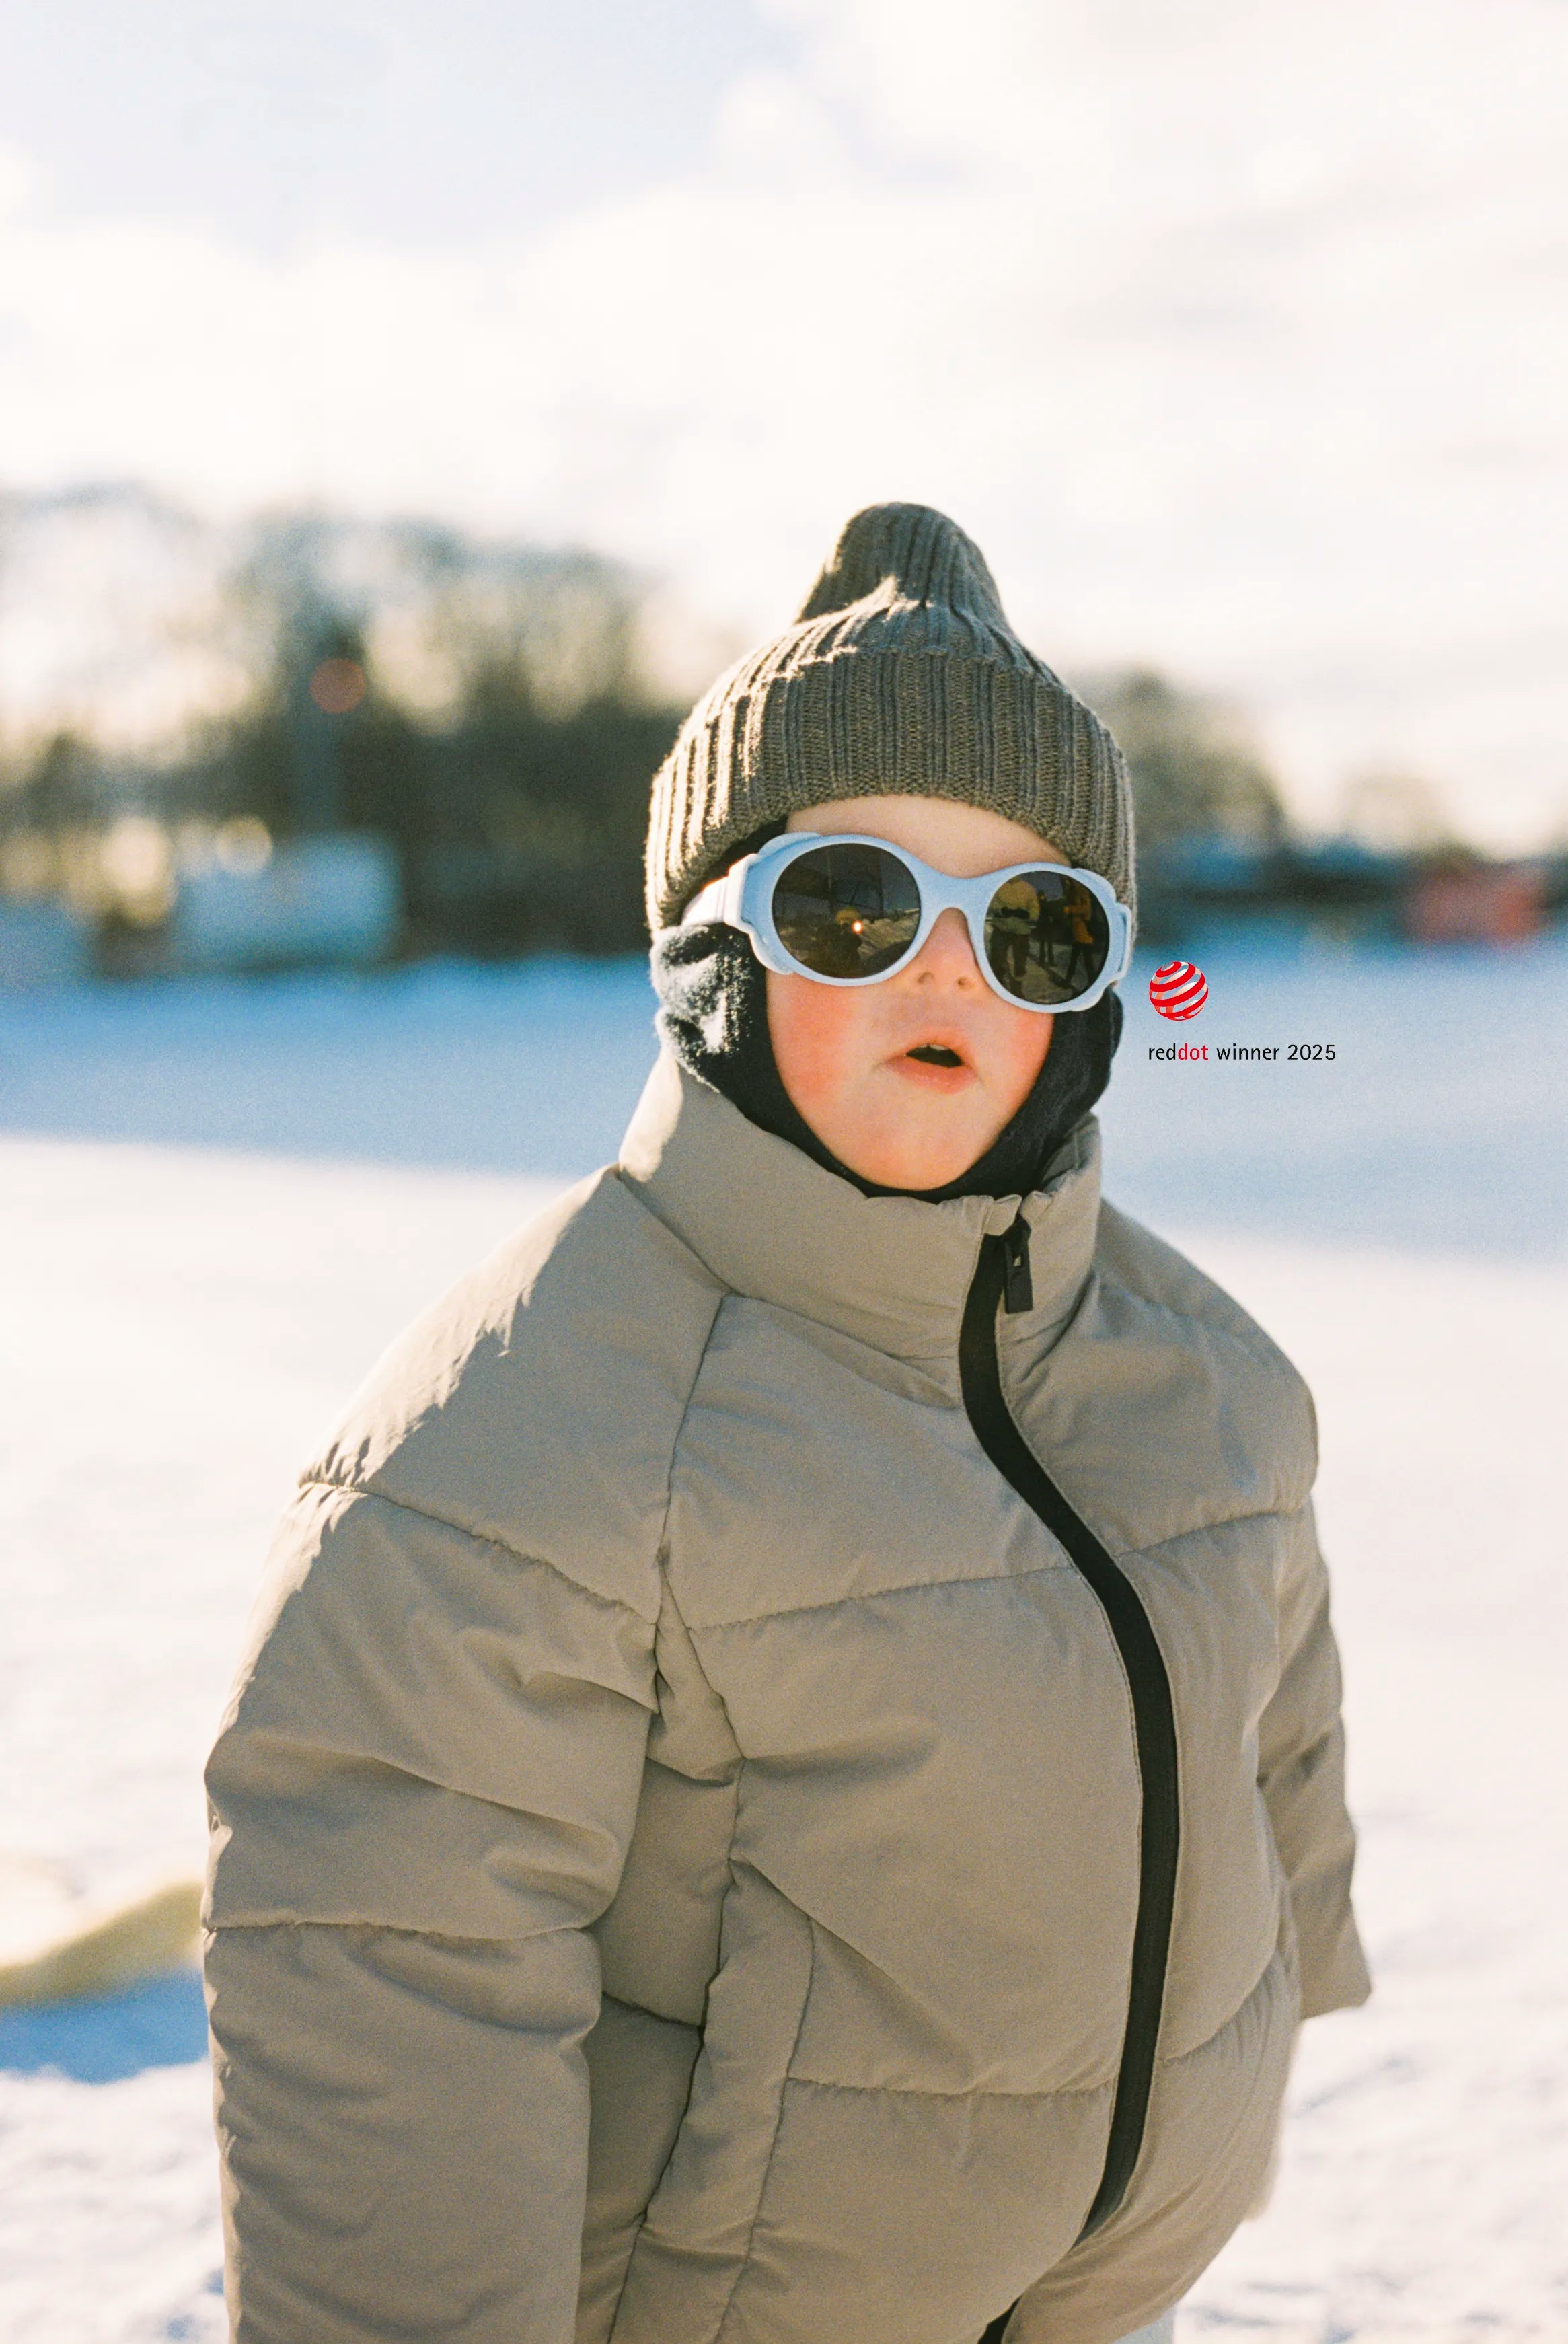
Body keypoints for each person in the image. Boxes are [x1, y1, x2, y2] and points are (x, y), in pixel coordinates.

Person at [204, 504, 1370, 2344]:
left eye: (1037, 922)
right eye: (853, 902)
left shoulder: (1203, 1369)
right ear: (710, 959)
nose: (949, 969)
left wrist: (1285, 1976)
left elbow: (1271, 1720)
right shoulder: (530, 1441)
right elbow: (393, 1997)